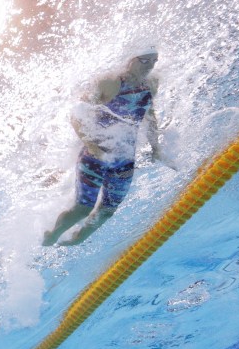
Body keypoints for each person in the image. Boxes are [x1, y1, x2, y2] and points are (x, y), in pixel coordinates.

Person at [43, 46, 169, 246]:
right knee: (83, 208)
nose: (149, 66)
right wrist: (91, 145)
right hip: (95, 156)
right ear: (130, 59)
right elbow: (77, 113)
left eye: (154, 61)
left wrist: (156, 148)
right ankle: (51, 236)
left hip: (125, 160)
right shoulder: (110, 83)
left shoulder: (152, 84)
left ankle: (78, 239)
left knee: (108, 211)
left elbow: (149, 116)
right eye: (144, 60)